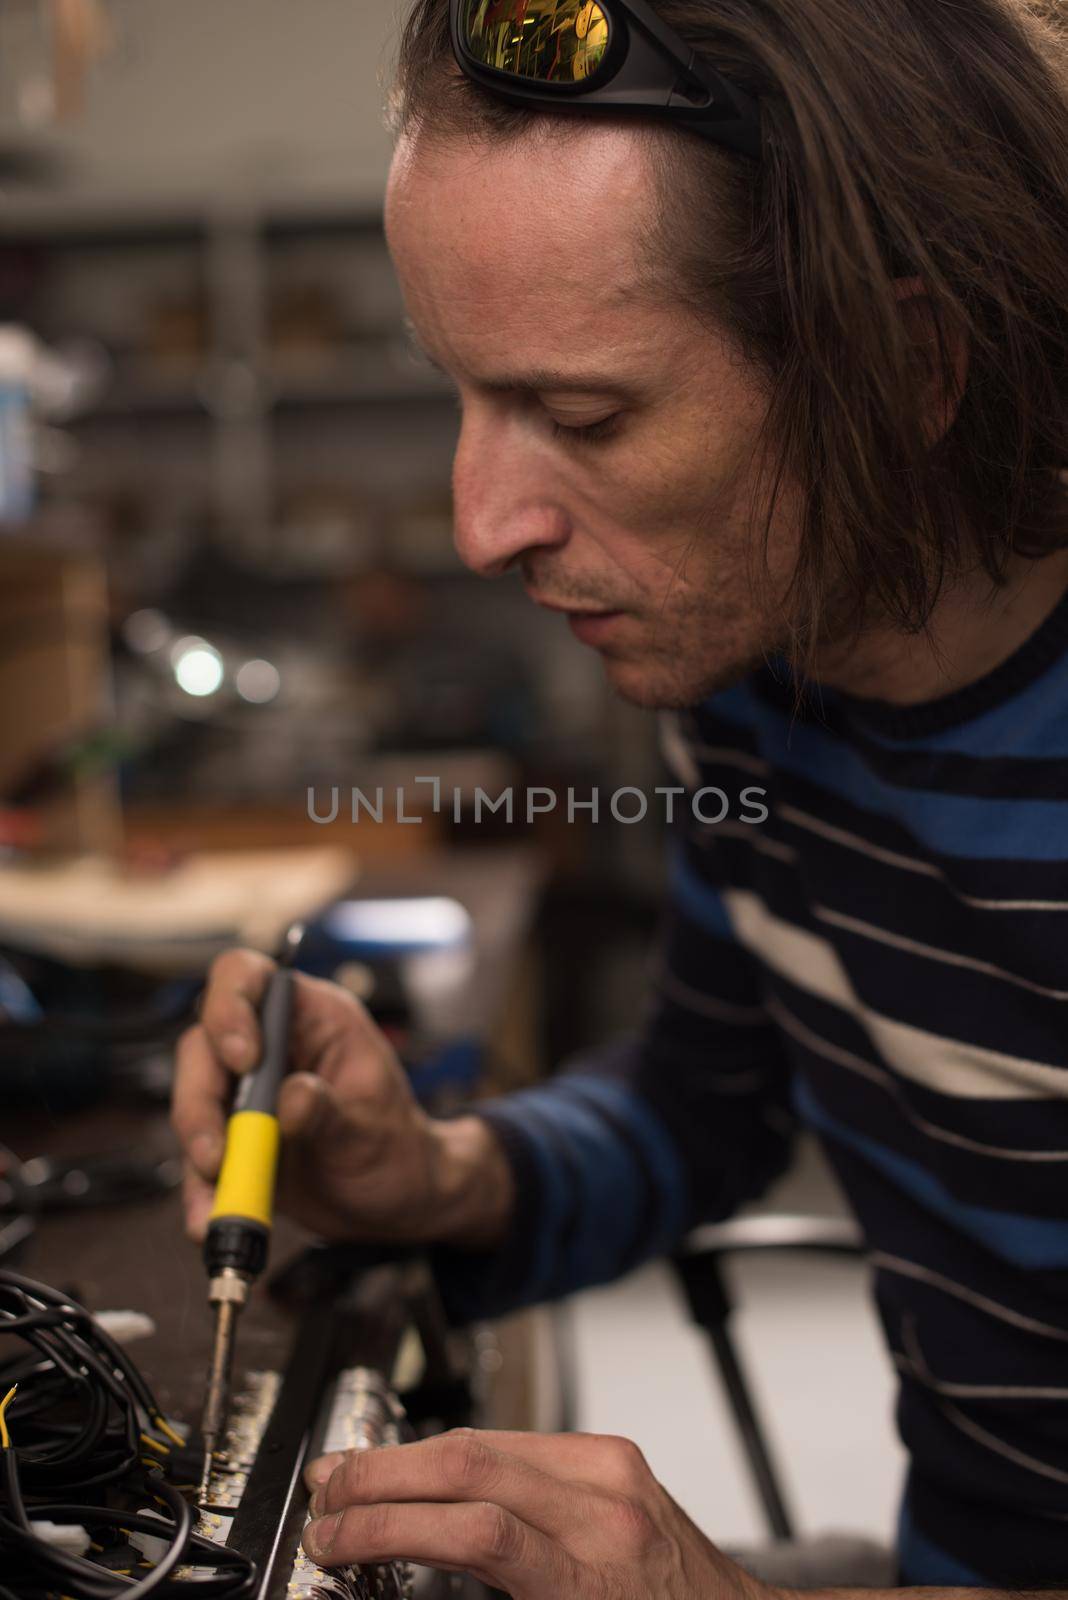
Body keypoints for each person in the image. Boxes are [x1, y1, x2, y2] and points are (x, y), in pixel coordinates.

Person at [171, 0, 1068, 1593]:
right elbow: (702, 1107)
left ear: (909, 362)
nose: (478, 524)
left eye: (584, 417)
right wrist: (439, 1175)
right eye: (456, 389)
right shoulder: (755, 680)